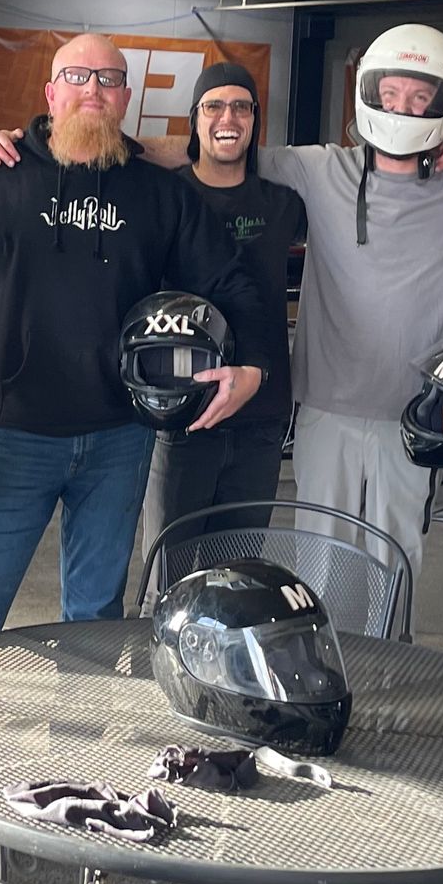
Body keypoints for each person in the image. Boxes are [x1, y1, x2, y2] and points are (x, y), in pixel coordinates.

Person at [0, 24, 443, 593]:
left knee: (294, 566)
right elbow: (186, 147)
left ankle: (364, 644)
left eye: (420, 97)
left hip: (291, 407)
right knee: (190, 562)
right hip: (190, 404)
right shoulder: (192, 188)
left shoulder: (294, 190)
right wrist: (38, 141)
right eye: (213, 107)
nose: (402, 108)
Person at [0, 32, 278, 653]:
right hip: (15, 433)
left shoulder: (159, 192)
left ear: (125, 98)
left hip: (119, 436)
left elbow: (229, 278)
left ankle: (83, 717)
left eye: (109, 80)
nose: (93, 89)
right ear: (50, 93)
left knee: (95, 614)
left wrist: (252, 361)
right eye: (77, 77)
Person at [139, 61, 304, 568]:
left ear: (255, 120)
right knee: (169, 571)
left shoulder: (284, 204)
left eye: (240, 107)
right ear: (195, 118)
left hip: (262, 416)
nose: (227, 118)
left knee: (238, 575)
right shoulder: (162, 197)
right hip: (181, 412)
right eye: (214, 106)